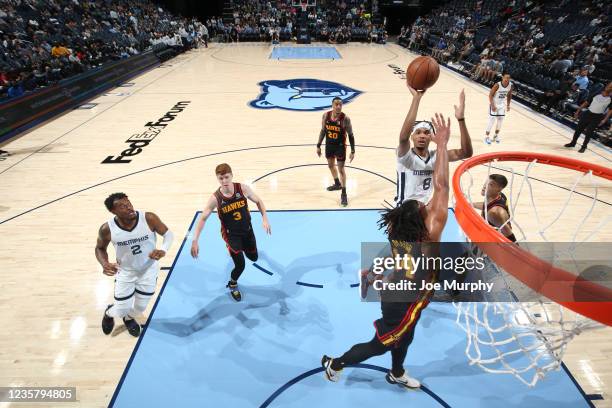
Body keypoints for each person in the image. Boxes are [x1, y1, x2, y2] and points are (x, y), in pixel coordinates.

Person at [322, 112, 453, 389]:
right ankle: (335, 363)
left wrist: (372, 271)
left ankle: (397, 372)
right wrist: (441, 146)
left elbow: (436, 192)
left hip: (401, 290)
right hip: (403, 298)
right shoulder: (430, 234)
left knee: (407, 336)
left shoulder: (398, 233)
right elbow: (441, 186)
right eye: (421, 207)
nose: (424, 205)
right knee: (382, 343)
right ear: (420, 218)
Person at [96, 193, 174, 337]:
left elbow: (168, 235)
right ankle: (109, 313)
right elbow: (100, 248)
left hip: (148, 270)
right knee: (121, 309)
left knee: (140, 308)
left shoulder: (148, 218)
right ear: (113, 211)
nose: (129, 207)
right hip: (125, 272)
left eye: (129, 203)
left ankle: (129, 318)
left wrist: (163, 250)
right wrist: (104, 263)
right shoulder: (107, 229)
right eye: (122, 206)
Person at [190, 163, 271, 301]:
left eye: (226, 177)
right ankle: (233, 283)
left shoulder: (242, 188)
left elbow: (258, 201)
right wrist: (195, 240)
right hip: (231, 236)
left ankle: (240, 251)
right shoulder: (216, 198)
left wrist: (265, 218)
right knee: (240, 265)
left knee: (254, 258)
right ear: (217, 179)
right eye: (221, 178)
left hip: (247, 231)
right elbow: (203, 218)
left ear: (232, 175)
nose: (224, 181)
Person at [395, 87, 472, 205]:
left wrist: (461, 120)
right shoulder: (405, 156)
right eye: (418, 132)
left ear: (431, 138)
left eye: (426, 133)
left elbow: (465, 153)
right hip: (403, 211)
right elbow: (403, 138)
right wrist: (416, 99)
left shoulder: (436, 156)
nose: (422, 136)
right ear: (412, 137)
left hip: (426, 209)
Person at [316, 97, 356, 207]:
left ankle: (344, 193)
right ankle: (337, 183)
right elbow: (323, 131)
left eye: (340, 104)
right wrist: (318, 145)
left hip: (340, 146)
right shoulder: (325, 116)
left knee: (341, 169)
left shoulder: (345, 118)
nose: (338, 106)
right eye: (336, 104)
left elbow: (351, 135)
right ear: (332, 105)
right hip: (329, 145)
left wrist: (353, 151)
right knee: (330, 165)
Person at [564, 82, 612, 153]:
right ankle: (573, 143)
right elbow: (586, 102)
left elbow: (610, 110)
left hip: (597, 116)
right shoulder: (597, 93)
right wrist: (578, 111)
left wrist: (605, 119)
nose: (609, 87)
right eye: (609, 86)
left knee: (589, 132)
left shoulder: (611, 98)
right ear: (606, 86)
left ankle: (584, 146)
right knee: (578, 129)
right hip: (588, 113)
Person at [473, 174, 516, 241]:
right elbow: (487, 206)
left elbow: (509, 234)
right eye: (486, 182)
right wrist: (472, 204)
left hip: (496, 243)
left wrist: (515, 249)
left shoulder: (494, 213)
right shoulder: (499, 196)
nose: (485, 186)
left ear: (499, 189)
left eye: (490, 185)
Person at [485, 73, 512, 144]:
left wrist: (508, 105)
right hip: (494, 103)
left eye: (508, 78)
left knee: (500, 120)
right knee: (492, 120)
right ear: (502, 78)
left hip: (502, 105)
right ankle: (486, 137)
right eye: (506, 78)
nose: (507, 79)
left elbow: (509, 95)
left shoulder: (510, 85)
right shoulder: (497, 85)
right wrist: (493, 105)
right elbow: (490, 95)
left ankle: (496, 135)